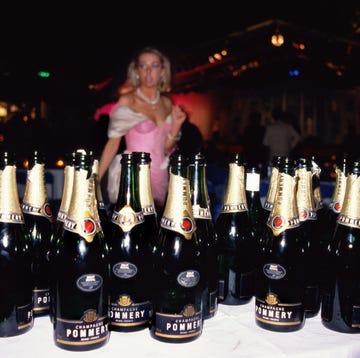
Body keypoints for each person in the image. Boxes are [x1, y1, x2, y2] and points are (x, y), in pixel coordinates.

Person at [98, 46, 187, 213]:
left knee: (154, 227)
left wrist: (175, 127)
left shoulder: (167, 103)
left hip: (159, 176)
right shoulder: (128, 101)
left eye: (154, 66)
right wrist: (94, 180)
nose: (148, 71)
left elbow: (165, 148)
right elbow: (113, 143)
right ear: (136, 70)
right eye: (143, 65)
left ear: (162, 71)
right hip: (134, 174)